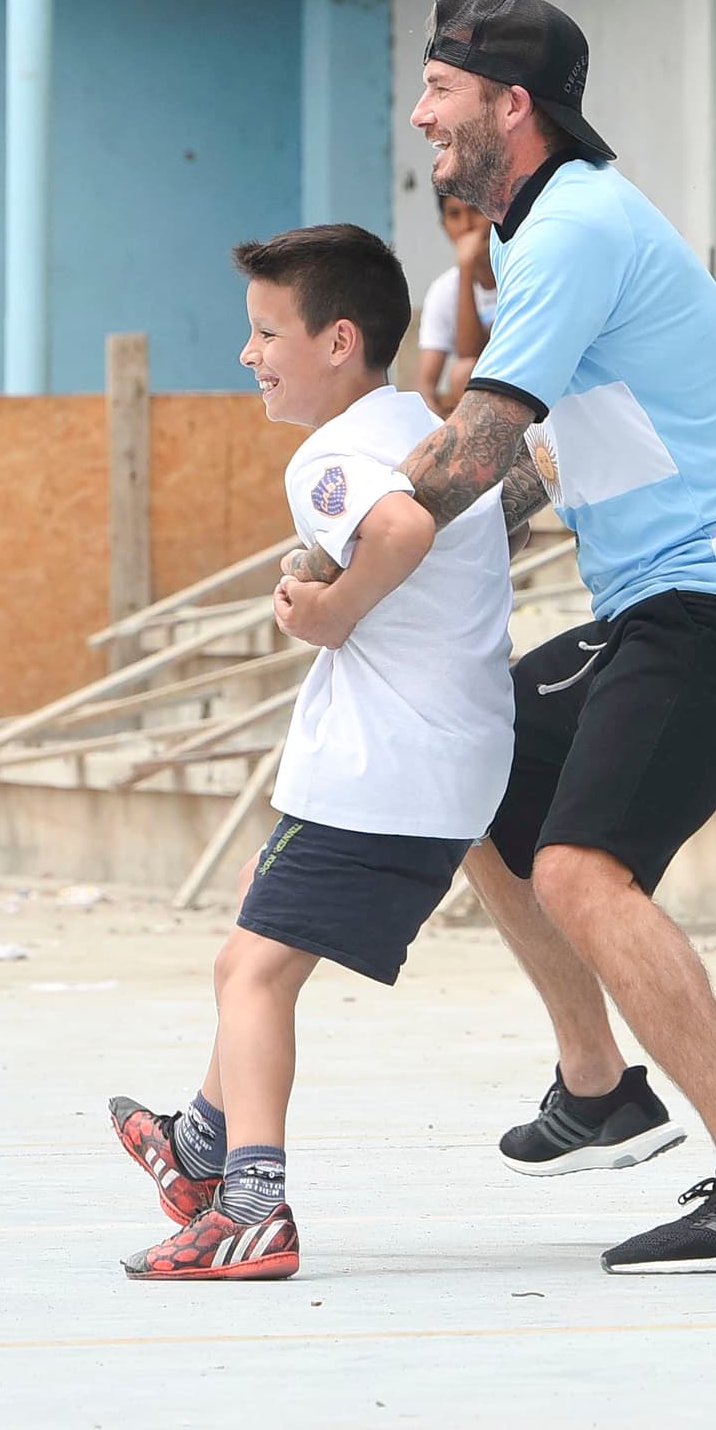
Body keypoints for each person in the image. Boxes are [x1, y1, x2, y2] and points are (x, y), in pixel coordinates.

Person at [285, 0, 716, 1276]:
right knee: (490, 778)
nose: (423, 113)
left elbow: (474, 449)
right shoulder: (551, 235)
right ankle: (600, 1090)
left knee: (583, 870)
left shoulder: (578, 228)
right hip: (677, 596)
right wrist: (404, 548)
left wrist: (345, 572)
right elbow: (551, 461)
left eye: (442, 89)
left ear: (512, 107)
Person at [109, 224, 515, 1280]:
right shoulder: (421, 427)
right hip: (435, 758)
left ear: (339, 341)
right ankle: (198, 1141)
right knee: (261, 913)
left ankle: (250, 1207)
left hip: (386, 766)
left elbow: (399, 531)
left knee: (246, 970)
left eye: (264, 332)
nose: (247, 354)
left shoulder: (333, 456)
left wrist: (330, 610)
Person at [416, 193, 498, 416]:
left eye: (475, 211)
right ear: (444, 226)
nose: (467, 225)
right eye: (454, 215)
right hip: (476, 406)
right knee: (463, 373)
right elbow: (425, 387)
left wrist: (466, 265)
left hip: (521, 388)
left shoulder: (517, 273)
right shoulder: (443, 290)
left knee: (464, 373)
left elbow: (476, 356)